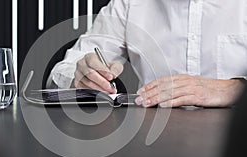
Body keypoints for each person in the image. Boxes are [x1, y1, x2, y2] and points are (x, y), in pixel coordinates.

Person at [49, 0, 246, 108]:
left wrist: (235, 89)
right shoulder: (128, 4)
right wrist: (82, 77)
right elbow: (58, 76)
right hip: (151, 143)